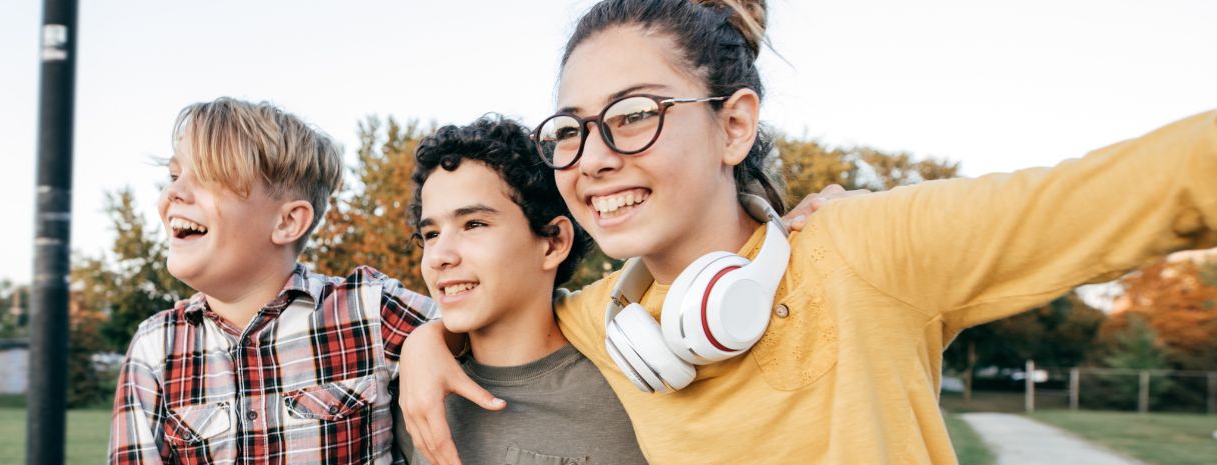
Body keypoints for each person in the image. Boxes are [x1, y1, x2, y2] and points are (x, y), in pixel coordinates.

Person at [396, 0, 1217, 464]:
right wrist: (428, 341)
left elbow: (1161, 179)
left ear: (734, 127)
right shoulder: (610, 320)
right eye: (572, 130)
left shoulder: (870, 247)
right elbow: (491, 306)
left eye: (636, 115)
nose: (595, 158)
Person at [107, 97, 437, 465]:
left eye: (207, 176)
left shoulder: (370, 310)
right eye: (173, 176)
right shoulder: (156, 348)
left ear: (287, 222)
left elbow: (484, 328)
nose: (171, 194)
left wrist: (432, 340)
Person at [395, 115, 646, 464]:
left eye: (474, 224)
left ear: (553, 243)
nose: (439, 256)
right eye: (431, 234)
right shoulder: (413, 397)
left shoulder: (635, 386)